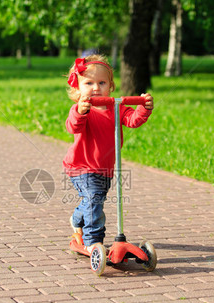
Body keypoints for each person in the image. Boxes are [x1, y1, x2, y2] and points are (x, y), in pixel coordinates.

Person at [63, 54, 154, 251]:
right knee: (95, 202)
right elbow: (73, 126)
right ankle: (92, 242)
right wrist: (81, 111)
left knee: (94, 200)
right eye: (89, 83)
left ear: (110, 86)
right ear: (78, 88)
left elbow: (132, 120)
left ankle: (77, 218)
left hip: (105, 168)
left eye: (101, 82)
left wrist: (143, 108)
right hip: (81, 166)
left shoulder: (116, 107)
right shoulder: (80, 109)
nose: (96, 88)